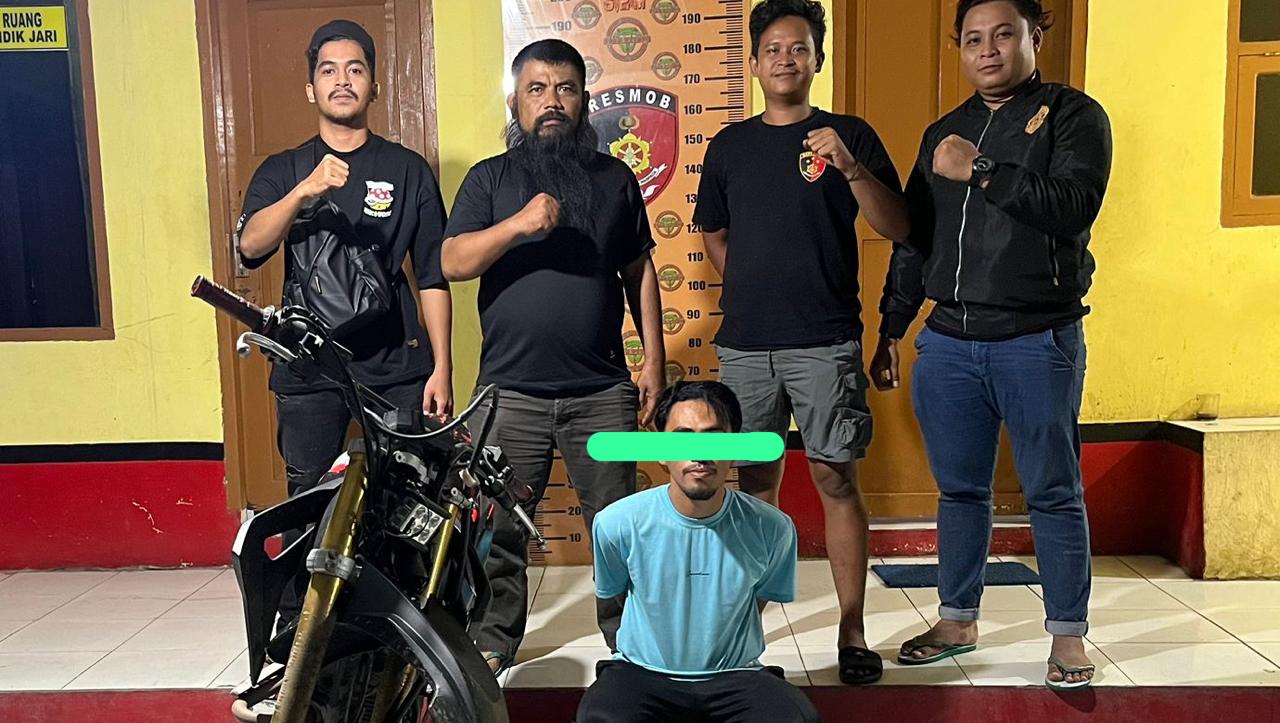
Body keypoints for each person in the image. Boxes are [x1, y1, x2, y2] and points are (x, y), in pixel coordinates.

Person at [872, 0, 1112, 690]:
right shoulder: (943, 132)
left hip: (1036, 337)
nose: (987, 50)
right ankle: (956, 620)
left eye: (1004, 34)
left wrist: (981, 170)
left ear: (1034, 38)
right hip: (949, 339)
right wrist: (892, 327)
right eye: (973, 39)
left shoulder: (1073, 116)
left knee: (1053, 491)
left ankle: (1068, 637)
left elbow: (1073, 205)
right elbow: (915, 239)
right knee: (959, 491)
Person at [692, 0, 910, 685]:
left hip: (825, 340)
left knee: (834, 477)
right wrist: (752, 282)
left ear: (818, 58)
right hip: (746, 346)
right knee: (754, 484)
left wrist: (850, 168)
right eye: (773, 49)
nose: (786, 58)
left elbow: (899, 225)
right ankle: (744, 634)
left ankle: (852, 630)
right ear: (755, 63)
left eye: (799, 47)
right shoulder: (729, 146)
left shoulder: (849, 135)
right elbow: (714, 231)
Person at [440, 39, 665, 674]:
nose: (552, 102)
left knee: (616, 527)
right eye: (537, 89)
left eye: (565, 88)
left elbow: (638, 270)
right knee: (499, 529)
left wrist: (653, 359)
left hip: (602, 390)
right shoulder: (490, 179)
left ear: (584, 101)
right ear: (515, 102)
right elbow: (452, 261)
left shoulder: (614, 178)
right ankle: (494, 638)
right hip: (509, 393)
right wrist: (517, 225)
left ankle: (629, 639)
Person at [234, 20, 453, 625]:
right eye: (328, 70)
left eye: (355, 69)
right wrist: (303, 191)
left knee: (408, 494)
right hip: (309, 365)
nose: (342, 80)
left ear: (374, 84)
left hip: (397, 364)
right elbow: (250, 246)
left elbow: (433, 275)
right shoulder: (285, 169)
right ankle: (304, 628)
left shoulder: (407, 170)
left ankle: (405, 623)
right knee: (307, 497)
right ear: (311, 88)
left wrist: (442, 367)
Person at [576, 382, 819, 723]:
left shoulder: (772, 527)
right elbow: (616, 595)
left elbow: (759, 598)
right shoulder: (615, 523)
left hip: (736, 675)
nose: (700, 453)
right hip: (641, 673)